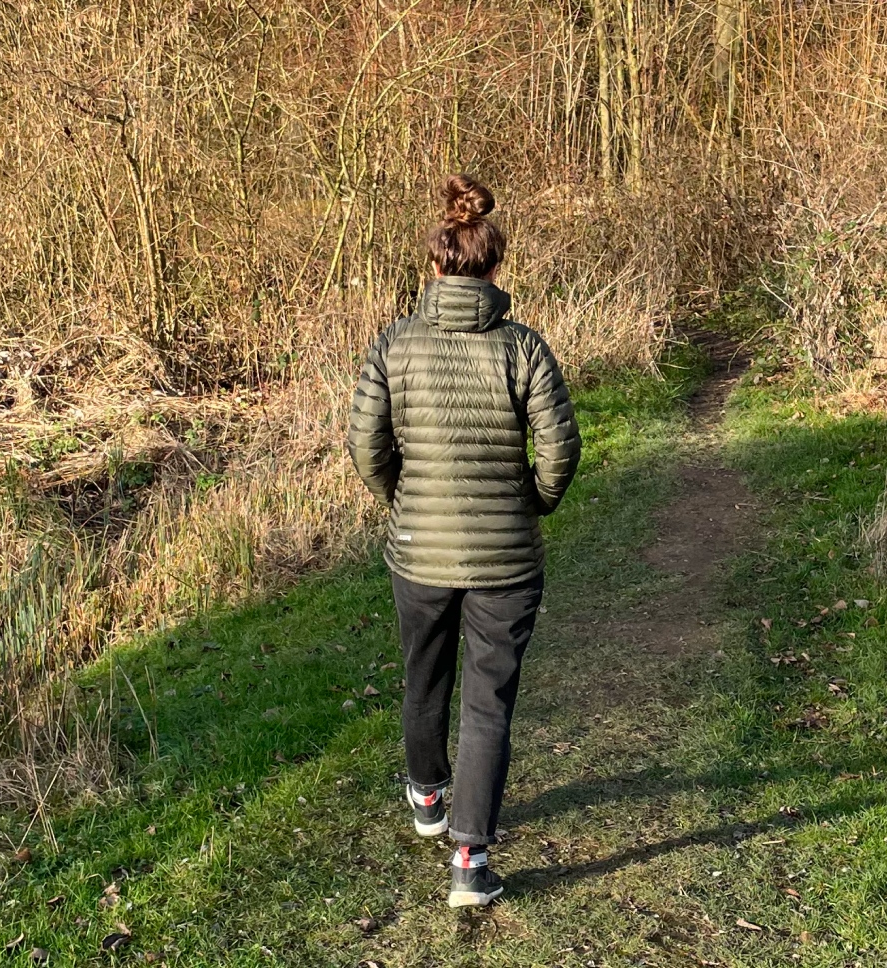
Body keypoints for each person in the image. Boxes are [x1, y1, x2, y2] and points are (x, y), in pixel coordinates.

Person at [347, 174, 581, 908]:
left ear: (436, 265)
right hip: (506, 559)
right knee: (488, 704)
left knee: (424, 676)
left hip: (417, 550)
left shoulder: (393, 343)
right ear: (494, 268)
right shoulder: (525, 349)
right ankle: (470, 863)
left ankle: (427, 800)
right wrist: (533, 503)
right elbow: (560, 450)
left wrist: (400, 498)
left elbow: (365, 443)